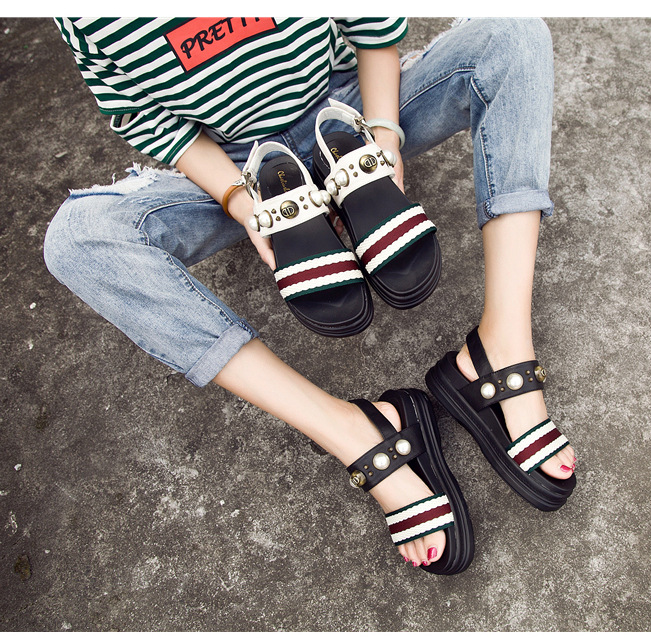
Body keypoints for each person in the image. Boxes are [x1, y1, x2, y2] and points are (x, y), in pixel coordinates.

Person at [44, 17, 577, 575]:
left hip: (346, 117)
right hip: (233, 169)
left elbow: (372, 27)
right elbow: (144, 116)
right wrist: (241, 202)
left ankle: (501, 345)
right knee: (78, 241)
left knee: (512, 36)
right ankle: (353, 427)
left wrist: (384, 139)